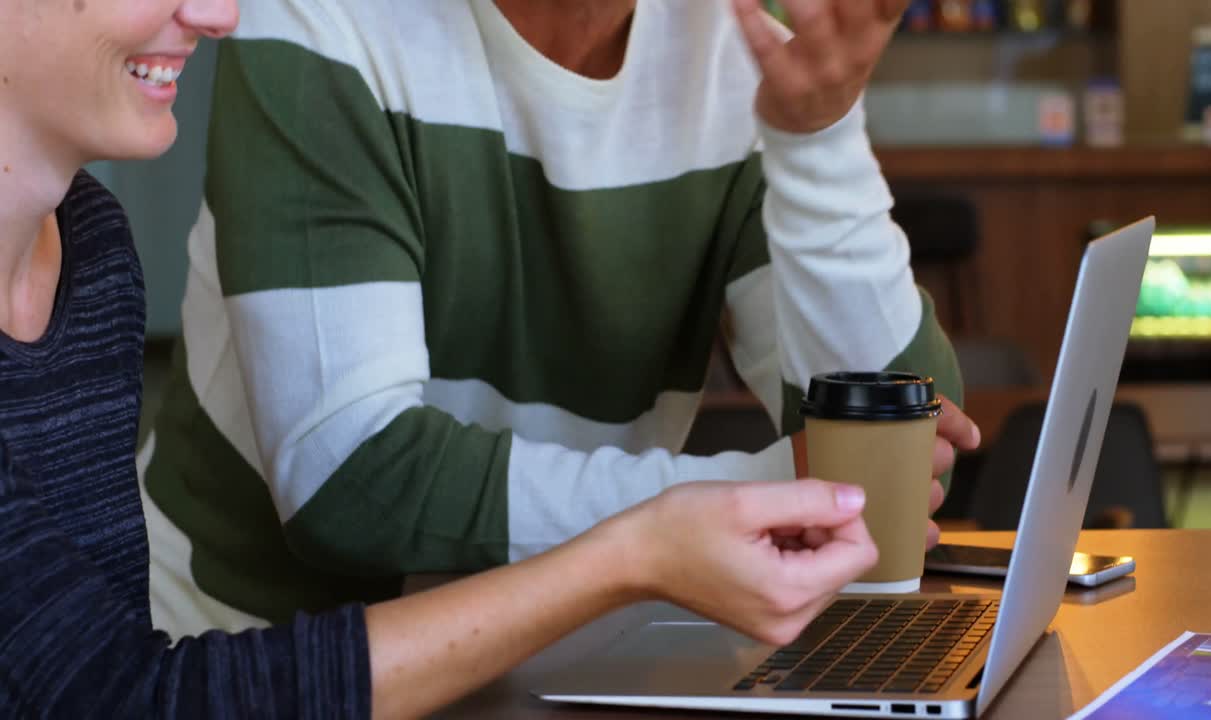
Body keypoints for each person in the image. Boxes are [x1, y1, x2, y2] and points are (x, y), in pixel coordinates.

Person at [0, 0, 929, 716]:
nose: (217, 12)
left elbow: (903, 453)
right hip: (247, 653)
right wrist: (698, 523)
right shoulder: (321, 24)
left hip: (556, 660)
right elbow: (345, 486)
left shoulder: (90, 248)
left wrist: (818, 136)